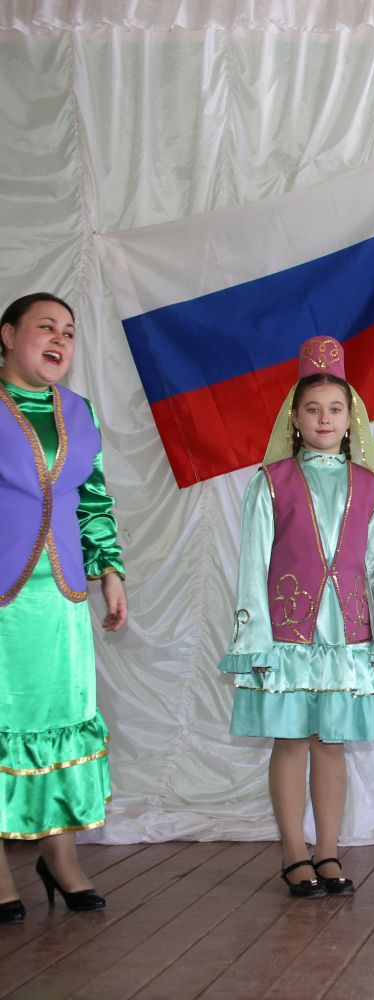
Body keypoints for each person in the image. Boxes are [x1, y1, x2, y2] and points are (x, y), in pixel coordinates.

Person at [217, 335, 374, 898]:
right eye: (312, 409)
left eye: (336, 409)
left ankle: (328, 850)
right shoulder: (270, 482)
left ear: (352, 419)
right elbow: (253, 562)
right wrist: (255, 638)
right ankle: (293, 851)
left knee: (332, 743)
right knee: (291, 740)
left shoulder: (371, 487)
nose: (325, 418)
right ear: (295, 419)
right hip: (287, 635)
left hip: (346, 636)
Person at [0, 293, 125, 920]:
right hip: (2, 598)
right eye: (45, 326)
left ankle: (61, 856)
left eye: (69, 332)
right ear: (8, 334)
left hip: (62, 595)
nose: (59, 339)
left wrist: (110, 571)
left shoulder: (78, 411)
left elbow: (93, 498)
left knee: (64, 716)